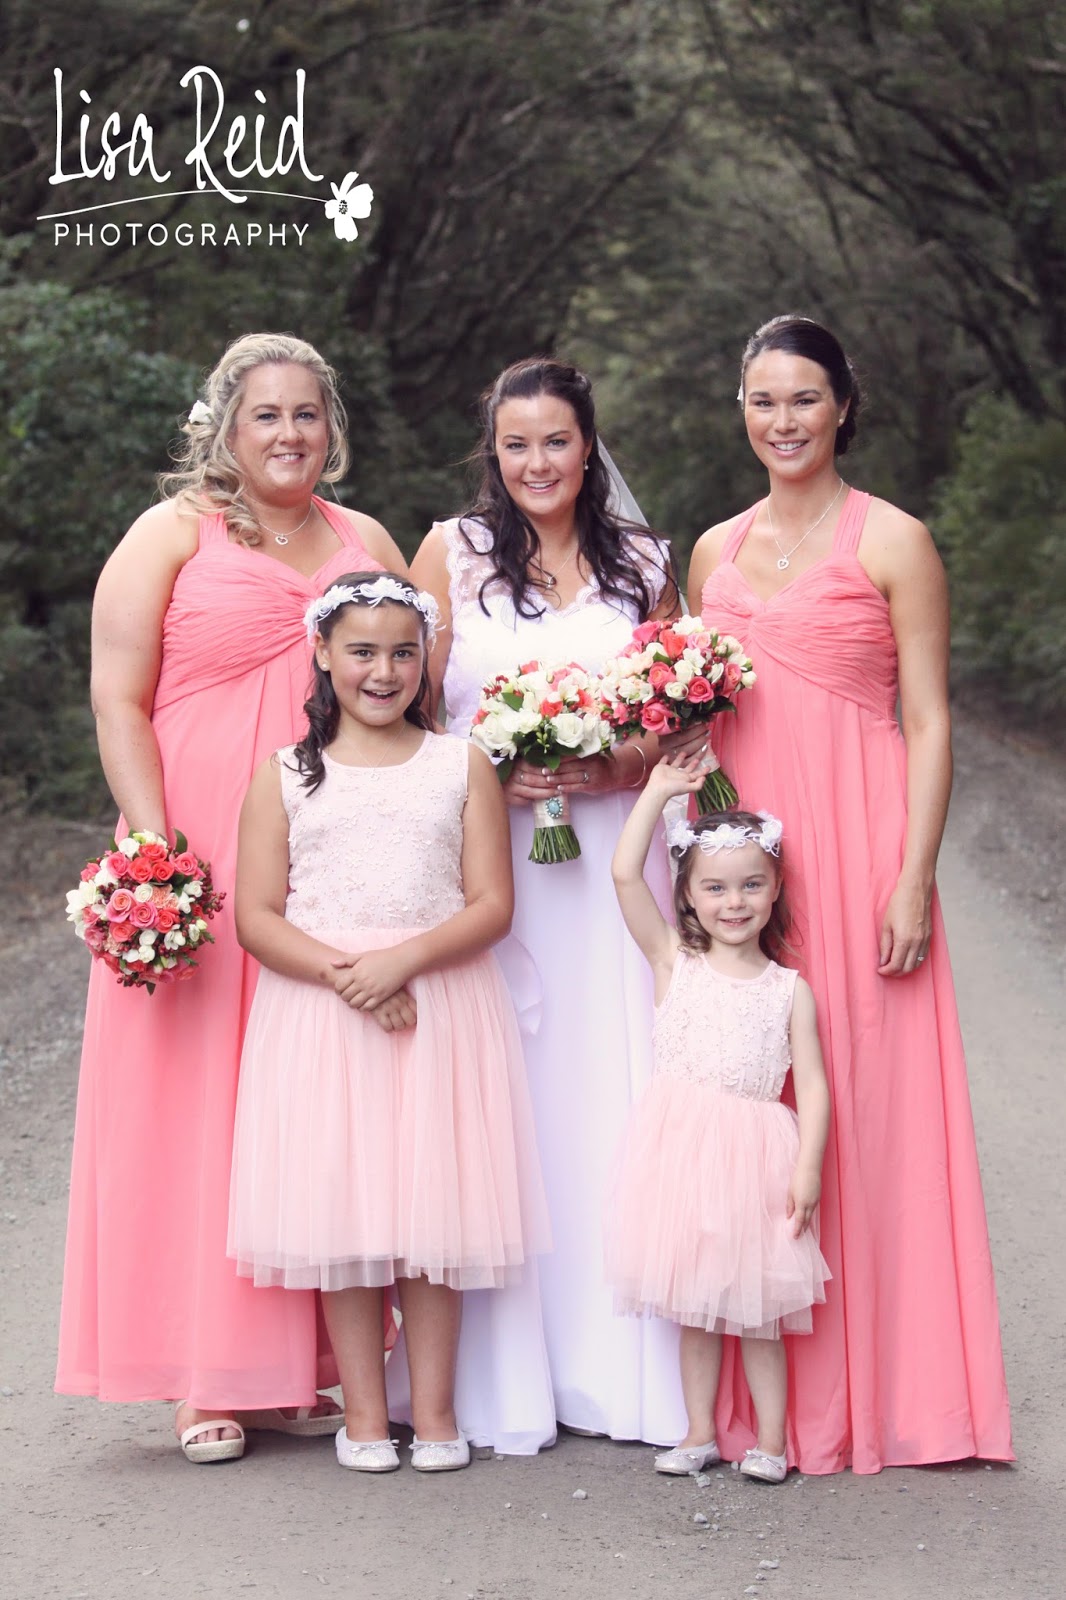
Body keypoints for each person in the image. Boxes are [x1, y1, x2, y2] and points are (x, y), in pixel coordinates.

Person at [56, 333, 409, 1463]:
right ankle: (204, 1371)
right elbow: (118, 698)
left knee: (311, 1100)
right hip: (201, 846)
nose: (289, 434)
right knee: (196, 1099)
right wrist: (153, 845)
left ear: (331, 425)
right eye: (266, 414)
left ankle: (299, 1365)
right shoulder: (170, 535)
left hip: (328, 854)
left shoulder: (366, 541)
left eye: (307, 413)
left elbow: (411, 694)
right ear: (225, 425)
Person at [680, 313, 1012, 1474]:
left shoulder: (895, 540)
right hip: (746, 858)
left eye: (804, 398)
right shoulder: (712, 551)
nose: (783, 420)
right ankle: (764, 1404)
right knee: (751, 1101)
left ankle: (897, 1391)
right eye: (763, 399)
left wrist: (912, 874)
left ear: (842, 406)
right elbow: (698, 714)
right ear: (741, 409)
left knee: (866, 1104)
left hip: (864, 835)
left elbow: (928, 718)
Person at [410, 356, 688, 1445]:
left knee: (620, 1076)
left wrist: (614, 763)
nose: (537, 463)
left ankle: (628, 1364)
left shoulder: (645, 563)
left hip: (618, 853)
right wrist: (491, 762)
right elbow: (406, 706)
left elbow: (678, 712)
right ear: (494, 450)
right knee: (509, 1087)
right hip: (502, 860)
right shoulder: (450, 552)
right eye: (516, 443)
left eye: (556, 441)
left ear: (588, 446)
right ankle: (506, 1370)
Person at [228, 573, 549, 1473]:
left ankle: (436, 1412)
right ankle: (365, 1415)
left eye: (404, 653)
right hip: (324, 1013)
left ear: (425, 660)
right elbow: (256, 916)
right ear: (322, 654)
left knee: (435, 1212)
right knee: (346, 1213)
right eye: (363, 651)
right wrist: (354, 978)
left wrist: (400, 963)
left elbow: (492, 906)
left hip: (439, 1005)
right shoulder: (284, 775)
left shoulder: (460, 764)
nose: (384, 671)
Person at [606, 759, 830, 1484]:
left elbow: (813, 1086)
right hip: (683, 1155)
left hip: (760, 1159)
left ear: (775, 889)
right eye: (715, 887)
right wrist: (655, 793)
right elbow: (623, 876)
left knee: (760, 1311)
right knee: (696, 1307)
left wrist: (808, 1168)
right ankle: (699, 1431)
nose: (735, 902)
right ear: (688, 895)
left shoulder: (789, 990)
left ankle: (770, 1441)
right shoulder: (674, 961)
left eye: (751, 885)